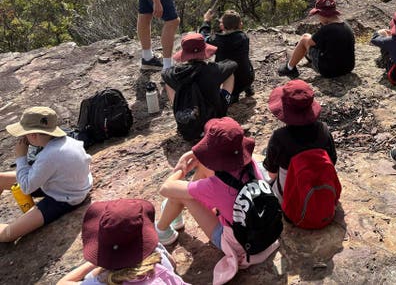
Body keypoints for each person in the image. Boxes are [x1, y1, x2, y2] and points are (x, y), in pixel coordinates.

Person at [156, 117, 278, 284]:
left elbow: (165, 188)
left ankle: (163, 231)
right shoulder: (251, 164)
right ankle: (175, 212)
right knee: (195, 181)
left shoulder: (214, 186)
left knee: (182, 195)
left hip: (238, 244)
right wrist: (200, 157)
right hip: (261, 229)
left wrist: (183, 166)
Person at [0, 107, 92, 243]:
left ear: (33, 135)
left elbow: (26, 187)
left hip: (64, 199)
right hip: (64, 183)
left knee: (6, 235)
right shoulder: (69, 141)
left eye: (24, 133)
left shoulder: (48, 156)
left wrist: (21, 157)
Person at [56, 199, 188, 285]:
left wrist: (95, 263)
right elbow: (172, 264)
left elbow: (63, 283)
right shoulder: (157, 254)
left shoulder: (98, 281)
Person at [263, 80, 337, 199]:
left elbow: (272, 174)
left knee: (261, 172)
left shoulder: (279, 137)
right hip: (320, 191)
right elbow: (332, 161)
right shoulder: (323, 130)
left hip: (291, 197)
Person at [277, 0, 355, 79]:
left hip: (329, 71)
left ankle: (289, 68)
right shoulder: (346, 25)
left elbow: (310, 43)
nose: (318, 18)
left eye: (318, 15)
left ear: (323, 14)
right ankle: (308, 58)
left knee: (304, 38)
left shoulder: (326, 29)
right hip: (348, 68)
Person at [161, 32, 236, 109]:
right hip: (216, 113)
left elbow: (164, 74)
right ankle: (225, 101)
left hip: (187, 118)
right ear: (205, 50)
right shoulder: (214, 70)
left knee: (168, 83)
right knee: (229, 74)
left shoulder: (178, 73)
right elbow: (232, 65)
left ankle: (178, 107)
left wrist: (176, 69)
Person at [199, 9, 254, 102]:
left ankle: (233, 96)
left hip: (230, 81)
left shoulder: (216, 40)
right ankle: (247, 88)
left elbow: (202, 38)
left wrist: (206, 21)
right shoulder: (244, 38)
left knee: (227, 69)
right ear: (240, 25)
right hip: (247, 78)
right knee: (242, 62)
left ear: (222, 26)